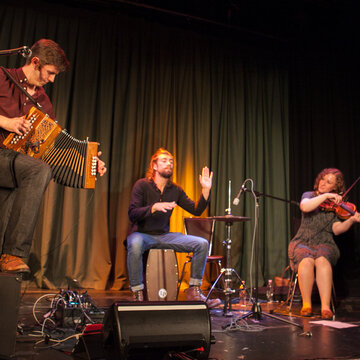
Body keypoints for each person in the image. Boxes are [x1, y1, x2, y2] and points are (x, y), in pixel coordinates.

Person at [0, 39, 107, 273]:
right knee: (38, 170)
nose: (51, 79)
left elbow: (50, 147)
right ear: (35, 62)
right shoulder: (2, 78)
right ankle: (13, 253)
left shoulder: (43, 102)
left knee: (37, 169)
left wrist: (88, 161)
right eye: (49, 73)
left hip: (13, 167)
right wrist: (5, 121)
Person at [126, 148, 221, 308]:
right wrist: (154, 207)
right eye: (164, 160)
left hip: (164, 236)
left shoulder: (175, 190)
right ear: (154, 166)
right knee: (134, 243)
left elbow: (196, 210)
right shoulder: (142, 185)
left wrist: (205, 189)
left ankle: (194, 291)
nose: (169, 163)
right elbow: (133, 213)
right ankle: (137, 293)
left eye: (171, 161)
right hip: (142, 235)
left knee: (201, 243)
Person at [288, 168, 360, 319]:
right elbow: (305, 207)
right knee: (306, 260)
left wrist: (352, 220)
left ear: (335, 188)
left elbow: (337, 229)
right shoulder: (309, 195)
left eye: (329, 183)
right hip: (303, 241)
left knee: (322, 259)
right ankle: (306, 304)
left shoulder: (336, 206)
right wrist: (326, 195)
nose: (323, 183)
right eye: (322, 179)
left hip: (325, 242)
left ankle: (325, 307)